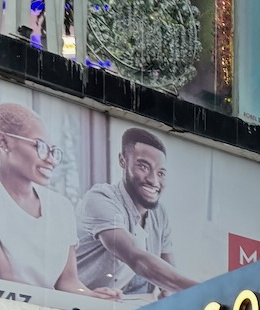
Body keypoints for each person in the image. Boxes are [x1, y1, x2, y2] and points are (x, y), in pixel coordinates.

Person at [0, 103, 121, 301]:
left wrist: (92, 296)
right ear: (3, 141)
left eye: (53, 151)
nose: (51, 160)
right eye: (39, 146)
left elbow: (67, 282)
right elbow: (2, 280)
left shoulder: (61, 206)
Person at [75, 127, 197, 297]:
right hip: (75, 305)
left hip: (121, 305)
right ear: (123, 160)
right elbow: (135, 257)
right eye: (143, 167)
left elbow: (169, 275)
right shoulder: (100, 198)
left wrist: (169, 292)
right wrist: (204, 290)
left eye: (161, 173)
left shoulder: (159, 214)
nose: (154, 180)